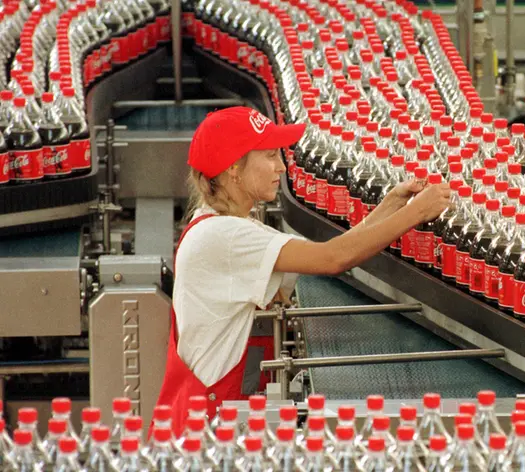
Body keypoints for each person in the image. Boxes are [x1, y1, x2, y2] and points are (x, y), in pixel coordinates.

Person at [155, 107, 451, 433]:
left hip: (216, 417)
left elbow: (334, 250)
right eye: (269, 157)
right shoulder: (225, 236)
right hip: (205, 432)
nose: (281, 167)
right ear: (233, 169)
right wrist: (415, 215)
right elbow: (331, 259)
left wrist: (393, 204)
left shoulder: (226, 224)